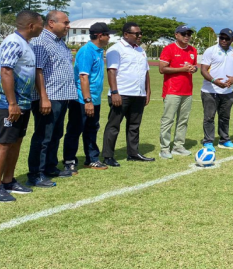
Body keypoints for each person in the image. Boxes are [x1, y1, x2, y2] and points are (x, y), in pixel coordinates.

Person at [0, 10, 44, 202]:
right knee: (4, 144)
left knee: (16, 142)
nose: (42, 27)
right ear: (31, 26)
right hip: (7, 104)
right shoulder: (13, 41)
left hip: (22, 104)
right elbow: (6, 71)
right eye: (41, 24)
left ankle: (9, 181)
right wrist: (12, 103)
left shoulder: (26, 44)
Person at [26, 10, 74, 187]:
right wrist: (43, 98)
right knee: (43, 137)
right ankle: (36, 173)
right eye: (66, 23)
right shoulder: (41, 42)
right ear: (51, 23)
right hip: (49, 97)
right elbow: (38, 70)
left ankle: (50, 166)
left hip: (62, 96)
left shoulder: (60, 43)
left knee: (56, 134)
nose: (68, 26)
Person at [62, 22, 113, 174]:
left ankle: (91, 158)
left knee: (91, 129)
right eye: (107, 34)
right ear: (99, 35)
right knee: (75, 130)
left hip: (94, 99)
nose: (109, 37)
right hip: (81, 100)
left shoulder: (99, 51)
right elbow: (83, 77)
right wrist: (87, 100)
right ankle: (69, 161)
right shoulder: (86, 51)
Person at [102, 21, 153, 166]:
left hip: (138, 94)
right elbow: (111, 71)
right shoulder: (116, 49)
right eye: (136, 33)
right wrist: (115, 92)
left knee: (134, 126)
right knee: (114, 125)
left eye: (140, 33)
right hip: (122, 94)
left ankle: (133, 153)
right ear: (126, 34)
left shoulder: (140, 50)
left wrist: (147, 91)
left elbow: (146, 71)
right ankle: (108, 156)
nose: (140, 36)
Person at [158, 25, 198, 159]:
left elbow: (194, 66)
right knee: (168, 120)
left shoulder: (193, 50)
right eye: (183, 34)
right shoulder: (169, 49)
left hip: (187, 91)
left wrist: (193, 69)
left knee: (183, 120)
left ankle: (178, 146)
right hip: (172, 90)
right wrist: (183, 69)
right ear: (176, 35)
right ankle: (164, 148)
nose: (187, 36)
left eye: (188, 34)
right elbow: (162, 69)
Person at [200, 28, 233, 151]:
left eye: (226, 38)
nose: (223, 40)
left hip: (227, 92)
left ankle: (224, 140)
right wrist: (214, 81)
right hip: (210, 91)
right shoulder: (211, 50)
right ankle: (208, 141)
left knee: (225, 117)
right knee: (209, 117)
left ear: (232, 40)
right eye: (221, 37)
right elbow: (203, 70)